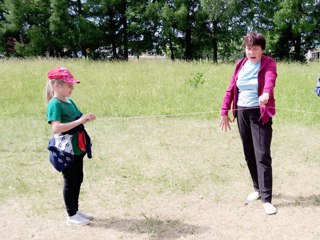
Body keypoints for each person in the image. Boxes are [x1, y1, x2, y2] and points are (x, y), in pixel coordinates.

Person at [220, 32, 277, 215]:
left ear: (262, 50)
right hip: (241, 112)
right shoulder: (240, 64)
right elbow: (231, 88)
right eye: (248, 48)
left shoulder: (268, 63)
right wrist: (224, 111)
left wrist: (266, 93)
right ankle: (258, 189)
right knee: (249, 153)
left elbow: (270, 79)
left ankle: (267, 198)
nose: (251, 52)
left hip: (260, 113)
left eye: (255, 49)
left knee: (262, 155)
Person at [46, 66, 96, 225]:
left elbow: (77, 117)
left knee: (78, 178)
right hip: (65, 150)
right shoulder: (55, 104)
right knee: (70, 181)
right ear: (56, 86)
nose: (72, 88)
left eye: (72, 85)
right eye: (69, 85)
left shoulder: (69, 101)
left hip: (77, 147)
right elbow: (56, 128)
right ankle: (71, 215)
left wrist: (85, 117)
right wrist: (79, 121)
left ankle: (75, 210)